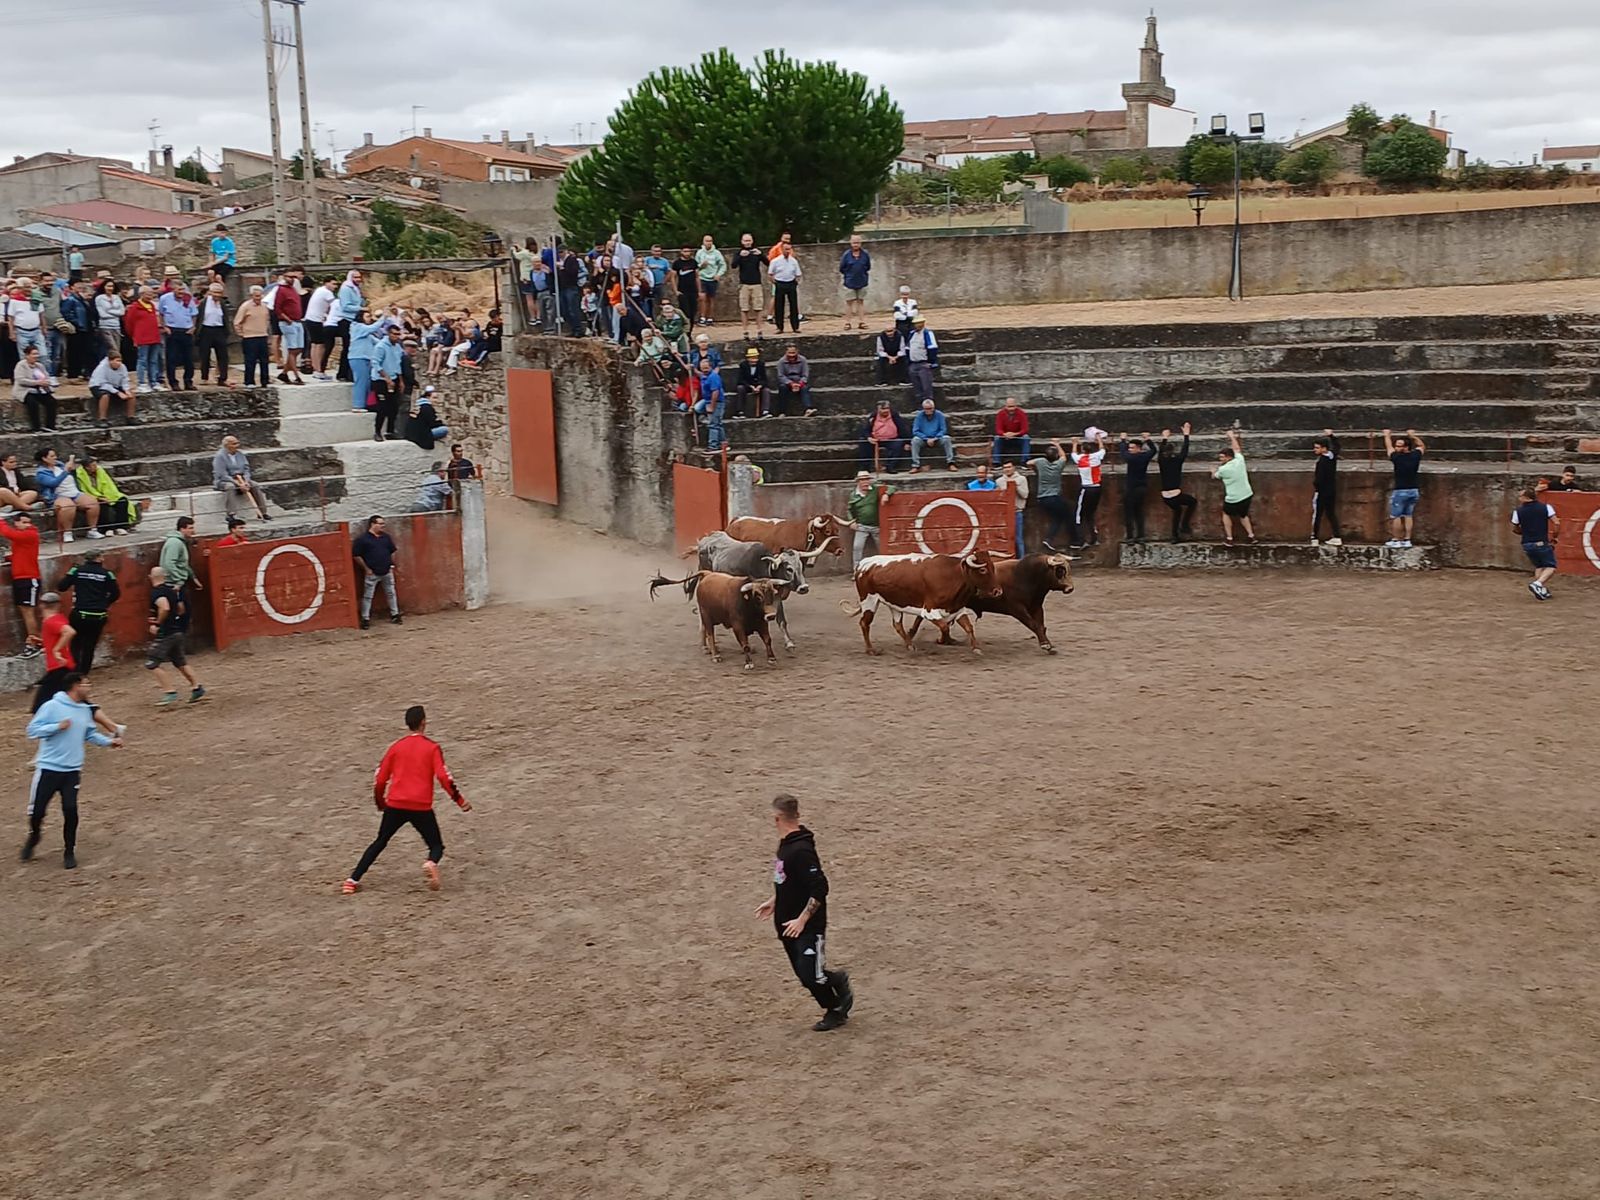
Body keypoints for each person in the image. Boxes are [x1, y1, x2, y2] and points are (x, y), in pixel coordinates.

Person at [342, 704, 470, 895]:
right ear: (424, 723)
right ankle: (430, 862)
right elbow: (444, 777)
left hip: (395, 804)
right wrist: (459, 800)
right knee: (436, 845)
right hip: (421, 807)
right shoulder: (432, 748)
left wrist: (380, 802)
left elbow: (379, 780)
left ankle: (352, 881)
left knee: (380, 841)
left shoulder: (396, 747)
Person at [755, 793, 855, 1032]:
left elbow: (820, 888)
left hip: (808, 926)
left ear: (777, 818)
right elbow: (789, 882)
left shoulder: (800, 850)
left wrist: (802, 919)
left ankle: (835, 1009)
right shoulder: (787, 844)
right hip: (786, 923)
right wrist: (775, 900)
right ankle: (835, 992)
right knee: (804, 974)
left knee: (813, 976)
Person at [23, 672, 123, 870]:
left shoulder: (86, 710)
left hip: (72, 770)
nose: (90, 687)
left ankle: (69, 851)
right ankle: (34, 836)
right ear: (76, 686)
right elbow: (32, 730)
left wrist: (109, 742)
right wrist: (56, 727)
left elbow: (89, 734)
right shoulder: (51, 707)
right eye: (87, 684)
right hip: (49, 769)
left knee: (70, 810)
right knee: (38, 812)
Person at [145, 566, 206, 707]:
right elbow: (181, 609)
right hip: (177, 631)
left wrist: (159, 622)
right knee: (180, 662)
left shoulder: (156, 593)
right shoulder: (172, 591)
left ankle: (170, 692)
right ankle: (197, 687)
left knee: (152, 663)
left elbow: (164, 607)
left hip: (166, 633)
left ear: (151, 577)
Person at [59, 546, 121, 674]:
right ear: (99, 558)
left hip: (80, 613)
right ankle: (84, 674)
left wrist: (71, 573)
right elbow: (116, 594)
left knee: (76, 643)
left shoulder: (77, 570)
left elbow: (61, 587)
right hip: (99, 614)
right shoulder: (107, 574)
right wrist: (104, 603)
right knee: (90, 645)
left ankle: (75, 672)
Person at [1, 511, 43, 656]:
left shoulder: (30, 534)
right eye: (24, 522)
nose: (27, 525)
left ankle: (35, 643)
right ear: (17, 523)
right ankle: (34, 641)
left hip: (29, 578)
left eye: (28, 522)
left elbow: (7, 533)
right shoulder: (23, 538)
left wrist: (1, 521)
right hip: (22, 577)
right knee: (25, 611)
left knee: (28, 612)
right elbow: (19, 553)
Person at [36, 448, 100, 543]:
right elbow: (53, 483)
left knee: (93, 503)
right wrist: (66, 471)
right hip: (58, 495)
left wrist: (71, 469)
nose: (55, 458)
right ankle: (67, 532)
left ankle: (92, 530)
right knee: (68, 507)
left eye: (55, 455)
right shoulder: (41, 473)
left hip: (74, 492)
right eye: (52, 456)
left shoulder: (60, 465)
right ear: (44, 459)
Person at [1511, 487, 1561, 600]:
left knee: (1539, 566)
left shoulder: (1518, 511)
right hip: (1541, 542)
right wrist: (1555, 537)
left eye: (1520, 496)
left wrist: (1524, 532)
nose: (1519, 498)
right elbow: (1557, 523)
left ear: (1526, 498)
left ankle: (1541, 589)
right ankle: (1537, 584)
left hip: (1527, 544)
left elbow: (1515, 528)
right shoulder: (1546, 507)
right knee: (1551, 567)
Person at [30, 592, 77, 713]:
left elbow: (69, 632)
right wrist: (42, 642)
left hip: (59, 668)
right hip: (64, 666)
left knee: (40, 706)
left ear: (42, 605)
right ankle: (113, 727)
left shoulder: (50, 621)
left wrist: (56, 650)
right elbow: (58, 638)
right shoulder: (59, 618)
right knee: (75, 702)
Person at [353, 515, 401, 630]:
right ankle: (365, 619)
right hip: (372, 572)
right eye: (380, 524)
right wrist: (366, 568)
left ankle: (395, 615)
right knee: (368, 596)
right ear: (373, 524)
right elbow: (356, 555)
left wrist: (390, 564)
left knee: (391, 593)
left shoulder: (386, 537)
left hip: (386, 571)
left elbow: (392, 551)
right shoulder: (363, 539)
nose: (382, 526)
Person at [1383, 428, 1427, 548]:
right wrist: (1413, 436)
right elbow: (1422, 446)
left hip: (1400, 490)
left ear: (1405, 447)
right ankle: (1407, 540)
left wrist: (1387, 435)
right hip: (1413, 490)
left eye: (1399, 446)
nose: (1396, 447)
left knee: (1396, 516)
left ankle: (1397, 539)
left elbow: (1388, 447)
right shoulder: (1415, 455)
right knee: (1408, 515)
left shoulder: (1397, 457)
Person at [75, 455, 138, 535]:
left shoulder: (100, 471)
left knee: (122, 500)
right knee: (102, 505)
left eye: (96, 465)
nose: (96, 467)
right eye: (93, 466)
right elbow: (84, 489)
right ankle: (107, 529)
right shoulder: (79, 475)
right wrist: (99, 497)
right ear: (87, 468)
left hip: (107, 494)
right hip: (92, 496)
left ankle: (121, 526)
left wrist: (108, 496)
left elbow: (109, 485)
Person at [212, 436, 271, 522]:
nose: (237, 445)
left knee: (255, 485)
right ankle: (231, 514)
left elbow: (246, 469)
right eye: (234, 444)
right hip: (225, 480)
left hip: (242, 479)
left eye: (237, 443)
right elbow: (222, 474)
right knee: (230, 487)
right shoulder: (220, 456)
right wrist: (238, 484)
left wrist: (246, 481)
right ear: (227, 445)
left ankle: (262, 512)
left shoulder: (240, 454)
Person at [1026, 442, 1072, 549]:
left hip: (1042, 498)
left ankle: (1049, 539)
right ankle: (1075, 540)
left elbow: (1028, 462)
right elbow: (1064, 456)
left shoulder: (1041, 462)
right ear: (1056, 456)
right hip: (1054, 497)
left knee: (1057, 518)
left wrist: (1036, 470)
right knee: (1068, 515)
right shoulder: (1058, 465)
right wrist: (1057, 444)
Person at [1157, 424, 1197, 542]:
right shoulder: (1177, 461)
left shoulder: (1162, 461)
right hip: (1175, 494)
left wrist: (1164, 437)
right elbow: (1185, 450)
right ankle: (1184, 525)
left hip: (1165, 496)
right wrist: (1186, 435)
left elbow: (1160, 452)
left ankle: (1175, 535)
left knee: (1177, 511)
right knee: (1192, 502)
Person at [1214, 428, 1255, 545]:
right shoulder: (1239, 460)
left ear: (1228, 457)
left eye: (1222, 457)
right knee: (1243, 515)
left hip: (1233, 498)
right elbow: (1237, 449)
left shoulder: (1223, 469)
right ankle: (1251, 536)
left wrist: (1212, 471)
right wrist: (1232, 437)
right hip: (1247, 494)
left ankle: (1229, 538)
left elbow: (1216, 476)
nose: (1220, 459)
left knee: (1226, 514)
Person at [160, 516, 203, 625]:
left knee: (183, 612)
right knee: (182, 612)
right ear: (182, 529)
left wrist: (193, 577)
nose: (193, 530)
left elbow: (182, 564)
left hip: (175, 582)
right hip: (174, 585)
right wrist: (178, 581)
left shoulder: (178, 542)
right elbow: (169, 563)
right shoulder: (176, 543)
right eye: (190, 528)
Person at [156, 279, 197, 391]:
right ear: (173, 289)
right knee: (171, 358)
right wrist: (164, 327)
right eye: (179, 290)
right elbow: (161, 313)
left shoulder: (189, 298)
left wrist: (193, 327)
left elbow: (194, 314)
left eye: (183, 289)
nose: (181, 292)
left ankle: (188, 381)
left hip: (186, 330)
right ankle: (173, 382)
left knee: (189, 358)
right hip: (172, 330)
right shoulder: (165, 299)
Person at [1069, 434, 1108, 548]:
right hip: (1097, 488)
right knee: (1090, 514)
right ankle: (1093, 538)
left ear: (1083, 450)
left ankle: (1080, 540)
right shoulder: (1097, 456)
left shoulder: (1080, 458)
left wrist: (1074, 443)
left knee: (1078, 515)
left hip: (1086, 488)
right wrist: (1099, 439)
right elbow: (1102, 449)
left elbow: (1073, 454)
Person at [845, 471, 893, 561]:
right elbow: (849, 509)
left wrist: (886, 494)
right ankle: (857, 570)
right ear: (858, 482)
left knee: (883, 549)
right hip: (862, 527)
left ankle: (885, 569)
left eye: (867, 479)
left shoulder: (875, 490)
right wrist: (851, 522)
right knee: (857, 548)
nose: (865, 482)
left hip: (877, 526)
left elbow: (892, 487)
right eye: (862, 480)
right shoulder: (854, 495)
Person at [1119, 432, 1157, 542]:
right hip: (1142, 488)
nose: (1130, 449)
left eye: (1132, 448)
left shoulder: (1132, 458)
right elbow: (1154, 450)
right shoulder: (1144, 457)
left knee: (1129, 513)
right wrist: (1148, 439)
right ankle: (1141, 535)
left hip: (1132, 489)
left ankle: (1130, 536)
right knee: (1139, 512)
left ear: (1138, 449)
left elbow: (1123, 453)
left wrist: (1123, 441)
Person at [369, 325, 405, 441]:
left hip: (394, 378)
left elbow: (397, 364)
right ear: (389, 334)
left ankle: (390, 431)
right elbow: (375, 363)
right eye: (394, 334)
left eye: (398, 334)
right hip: (381, 380)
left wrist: (400, 381)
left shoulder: (398, 347)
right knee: (382, 407)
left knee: (394, 407)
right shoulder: (381, 346)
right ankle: (377, 432)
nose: (396, 336)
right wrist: (387, 378)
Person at [124, 286, 162, 392]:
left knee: (154, 361)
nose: (150, 296)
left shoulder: (152, 306)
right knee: (142, 360)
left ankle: (153, 382)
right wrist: (135, 335)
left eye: (151, 294)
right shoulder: (135, 307)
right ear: (141, 294)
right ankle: (142, 383)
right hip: (142, 338)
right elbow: (129, 324)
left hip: (154, 336)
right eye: (148, 294)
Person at [232, 285, 272, 386]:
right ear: (251, 296)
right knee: (250, 360)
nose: (258, 298)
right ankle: (249, 381)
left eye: (260, 296)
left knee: (264, 361)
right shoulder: (245, 306)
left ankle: (265, 381)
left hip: (262, 335)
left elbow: (267, 320)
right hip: (249, 337)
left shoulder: (265, 306)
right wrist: (242, 334)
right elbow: (237, 322)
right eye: (256, 296)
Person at [857, 399, 910, 473]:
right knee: (863, 443)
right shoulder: (873, 416)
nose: (886, 411)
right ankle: (865, 467)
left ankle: (890, 466)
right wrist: (869, 438)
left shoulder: (894, 415)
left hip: (891, 439)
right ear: (878, 409)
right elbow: (865, 429)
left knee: (898, 443)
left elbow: (902, 428)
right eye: (883, 409)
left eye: (887, 408)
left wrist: (907, 442)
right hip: (876, 440)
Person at [12, 345, 56, 432]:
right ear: (27, 355)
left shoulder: (40, 366)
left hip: (39, 390)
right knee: (33, 403)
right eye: (34, 354)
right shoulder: (21, 365)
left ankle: (50, 426)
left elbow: (46, 376)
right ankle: (36, 427)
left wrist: (47, 382)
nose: (36, 356)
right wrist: (37, 382)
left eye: (37, 354)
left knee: (51, 402)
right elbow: (20, 380)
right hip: (25, 390)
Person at [195, 282, 232, 386]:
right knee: (204, 355)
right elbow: (198, 317)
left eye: (219, 293)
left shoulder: (222, 303)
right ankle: (204, 377)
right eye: (215, 292)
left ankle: (222, 378)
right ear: (210, 292)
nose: (217, 295)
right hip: (206, 329)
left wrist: (226, 331)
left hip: (219, 330)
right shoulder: (203, 303)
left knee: (223, 356)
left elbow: (225, 318)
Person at [1311, 428, 1344, 546]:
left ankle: (1314, 537)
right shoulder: (1332, 457)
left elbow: (1318, 479)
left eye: (1317, 447)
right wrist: (1331, 436)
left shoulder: (1321, 462)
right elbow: (1337, 447)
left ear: (1324, 448)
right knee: (1330, 513)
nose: (1315, 450)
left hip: (1322, 492)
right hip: (1331, 491)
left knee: (1318, 514)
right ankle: (1337, 536)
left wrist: (1316, 487)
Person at [273, 270, 306, 384]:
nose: (292, 279)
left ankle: (284, 373)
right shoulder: (281, 290)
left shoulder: (293, 289)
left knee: (299, 348)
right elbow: (277, 308)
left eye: (294, 277)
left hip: (297, 321)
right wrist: (288, 319)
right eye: (289, 277)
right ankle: (297, 376)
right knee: (292, 349)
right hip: (288, 322)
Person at [88, 349, 136, 427]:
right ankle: (102, 419)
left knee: (131, 395)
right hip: (99, 386)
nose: (119, 363)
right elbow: (102, 383)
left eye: (120, 361)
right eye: (117, 361)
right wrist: (117, 392)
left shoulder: (123, 367)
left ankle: (131, 417)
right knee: (104, 396)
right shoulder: (102, 368)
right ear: (110, 361)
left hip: (115, 385)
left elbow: (125, 380)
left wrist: (126, 390)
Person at [733, 233, 767, 339]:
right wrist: (740, 256)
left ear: (752, 241)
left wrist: (761, 254)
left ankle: (759, 330)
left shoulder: (756, 252)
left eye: (749, 240)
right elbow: (733, 265)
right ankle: (745, 331)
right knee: (744, 308)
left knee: (758, 308)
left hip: (756, 283)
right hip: (744, 284)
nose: (747, 243)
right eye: (745, 241)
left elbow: (768, 263)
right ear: (742, 242)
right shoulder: (739, 253)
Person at [305, 276, 338, 379]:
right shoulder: (327, 293)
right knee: (320, 346)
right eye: (333, 284)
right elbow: (336, 305)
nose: (335, 286)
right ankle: (319, 370)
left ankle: (316, 369)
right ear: (326, 283)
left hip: (309, 319)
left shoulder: (319, 290)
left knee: (314, 344)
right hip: (316, 320)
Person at [995, 460, 1031, 557]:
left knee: (1018, 538)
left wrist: (1015, 487)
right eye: (1005, 467)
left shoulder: (1022, 479)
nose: (1007, 469)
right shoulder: (999, 481)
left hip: (1017, 511)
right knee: (1004, 537)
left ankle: (1021, 559)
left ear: (1014, 468)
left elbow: (1025, 495)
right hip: (1004, 513)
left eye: (1009, 467)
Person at [910, 398, 956, 472]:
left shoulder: (939, 415)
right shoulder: (919, 416)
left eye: (930, 408)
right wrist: (926, 438)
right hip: (923, 439)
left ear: (933, 408)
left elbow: (943, 429)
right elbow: (915, 431)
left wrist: (936, 438)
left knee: (947, 438)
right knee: (915, 440)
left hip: (937, 439)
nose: (928, 410)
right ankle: (915, 465)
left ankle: (951, 463)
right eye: (926, 409)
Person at [334, 270, 364, 382]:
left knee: (352, 348)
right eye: (355, 277)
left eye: (359, 277)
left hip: (354, 320)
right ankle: (342, 373)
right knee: (347, 348)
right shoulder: (346, 289)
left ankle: (349, 373)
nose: (358, 280)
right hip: (346, 320)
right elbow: (346, 306)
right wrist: (360, 308)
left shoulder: (355, 289)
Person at [691, 360, 727, 450]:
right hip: (707, 400)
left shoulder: (713, 377)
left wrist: (712, 406)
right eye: (703, 368)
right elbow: (699, 373)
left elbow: (715, 392)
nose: (704, 370)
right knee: (717, 423)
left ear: (711, 367)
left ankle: (713, 446)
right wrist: (693, 368)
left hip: (716, 401)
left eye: (706, 368)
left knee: (713, 424)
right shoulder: (704, 376)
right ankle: (723, 443)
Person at [768, 241, 802, 334]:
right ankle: (779, 327)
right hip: (780, 283)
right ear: (782, 249)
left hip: (791, 283)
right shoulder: (775, 261)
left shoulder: (794, 261)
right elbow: (770, 274)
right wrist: (775, 283)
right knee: (779, 306)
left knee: (794, 306)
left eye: (789, 249)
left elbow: (798, 274)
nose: (788, 251)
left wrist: (795, 282)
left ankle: (795, 327)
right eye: (786, 249)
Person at [904, 315, 940, 405]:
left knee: (926, 387)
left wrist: (931, 362)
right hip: (913, 363)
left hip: (923, 363)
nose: (917, 325)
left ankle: (928, 405)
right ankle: (919, 406)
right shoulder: (912, 334)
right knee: (917, 387)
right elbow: (908, 347)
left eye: (919, 323)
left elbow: (932, 348)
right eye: (915, 323)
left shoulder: (927, 333)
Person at [838, 235, 871, 330]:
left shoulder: (865, 254)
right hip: (849, 282)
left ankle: (862, 322)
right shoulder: (846, 255)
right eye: (854, 243)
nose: (856, 245)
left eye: (857, 242)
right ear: (851, 243)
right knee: (849, 303)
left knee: (861, 302)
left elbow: (868, 267)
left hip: (862, 281)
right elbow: (842, 268)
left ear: (860, 243)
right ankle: (847, 323)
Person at [694, 234, 726, 326]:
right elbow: (695, 266)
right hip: (702, 278)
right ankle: (702, 317)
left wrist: (718, 274)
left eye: (710, 241)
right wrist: (701, 266)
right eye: (707, 241)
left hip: (712, 278)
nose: (709, 243)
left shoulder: (716, 253)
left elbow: (722, 265)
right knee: (702, 298)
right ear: (703, 242)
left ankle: (710, 318)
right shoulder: (700, 253)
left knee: (711, 299)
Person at [405, 386, 449, 451]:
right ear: (428, 397)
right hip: (421, 435)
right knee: (444, 429)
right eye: (434, 398)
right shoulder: (427, 407)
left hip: (411, 433)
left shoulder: (417, 406)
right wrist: (441, 423)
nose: (436, 400)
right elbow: (432, 423)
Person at [993, 397, 1031, 466]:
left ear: (1016, 406)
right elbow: (998, 429)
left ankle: (1024, 461)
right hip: (1005, 438)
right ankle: (996, 461)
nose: (1011, 409)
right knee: (997, 438)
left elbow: (1025, 429)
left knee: (1026, 437)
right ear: (1005, 406)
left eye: (1013, 406)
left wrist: (1015, 434)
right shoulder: (1000, 414)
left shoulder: (1021, 413)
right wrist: (1005, 434)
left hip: (1018, 437)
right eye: (1009, 407)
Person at [732, 347, 768, 420]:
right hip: (747, 385)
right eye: (751, 358)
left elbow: (764, 379)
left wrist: (759, 386)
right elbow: (741, 379)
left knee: (766, 390)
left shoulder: (761, 364)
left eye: (755, 358)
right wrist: (750, 386)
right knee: (740, 388)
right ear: (748, 358)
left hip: (758, 385)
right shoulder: (743, 365)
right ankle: (740, 411)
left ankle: (765, 411)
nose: (754, 360)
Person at [669, 246, 700, 328]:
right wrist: (676, 291)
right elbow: (673, 277)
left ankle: (690, 332)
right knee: (685, 313)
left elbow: (697, 277)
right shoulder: (677, 263)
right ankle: (684, 330)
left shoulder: (693, 262)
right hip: (682, 291)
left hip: (693, 291)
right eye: (685, 251)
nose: (687, 253)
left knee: (693, 313)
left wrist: (699, 290)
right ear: (681, 252)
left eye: (689, 251)